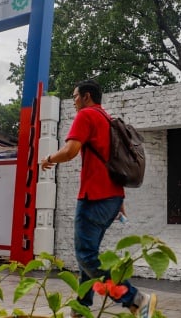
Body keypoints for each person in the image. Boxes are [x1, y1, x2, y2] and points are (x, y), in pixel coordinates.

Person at [40, 80, 157, 318]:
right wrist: (117, 200)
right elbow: (112, 161)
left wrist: (49, 158)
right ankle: (81, 308)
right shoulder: (107, 119)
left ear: (86, 96)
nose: (73, 101)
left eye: (74, 96)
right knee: (89, 255)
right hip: (112, 198)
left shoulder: (86, 116)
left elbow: (71, 151)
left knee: (86, 256)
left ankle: (135, 299)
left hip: (94, 198)